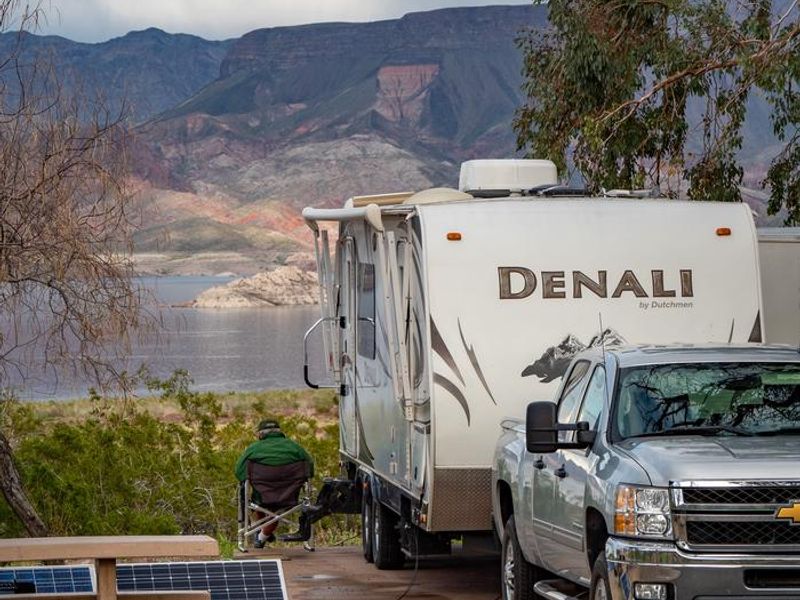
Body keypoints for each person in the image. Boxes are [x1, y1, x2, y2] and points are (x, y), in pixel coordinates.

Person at [235, 418, 314, 548]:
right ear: (280, 432)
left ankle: (262, 536)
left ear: (260, 434)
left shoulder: (253, 449)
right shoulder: (296, 448)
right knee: (275, 510)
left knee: (255, 498)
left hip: (262, 496)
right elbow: (309, 471)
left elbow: (239, 472)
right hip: (290, 497)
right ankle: (264, 533)